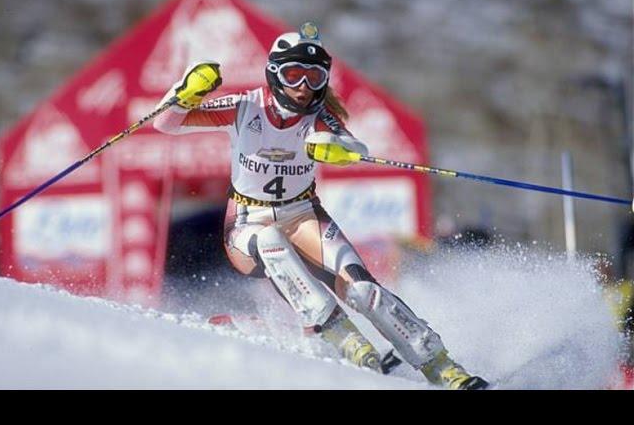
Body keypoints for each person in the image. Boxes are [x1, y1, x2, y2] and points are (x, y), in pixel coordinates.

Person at [152, 22, 488, 390]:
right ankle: (346, 341)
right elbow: (167, 124)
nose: (303, 86)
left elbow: (355, 146)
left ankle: (444, 368)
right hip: (248, 223)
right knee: (269, 242)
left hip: (303, 215)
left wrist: (339, 149)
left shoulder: (319, 117)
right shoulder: (245, 106)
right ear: (274, 74)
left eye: (314, 76)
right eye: (294, 74)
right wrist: (183, 93)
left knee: (363, 292)